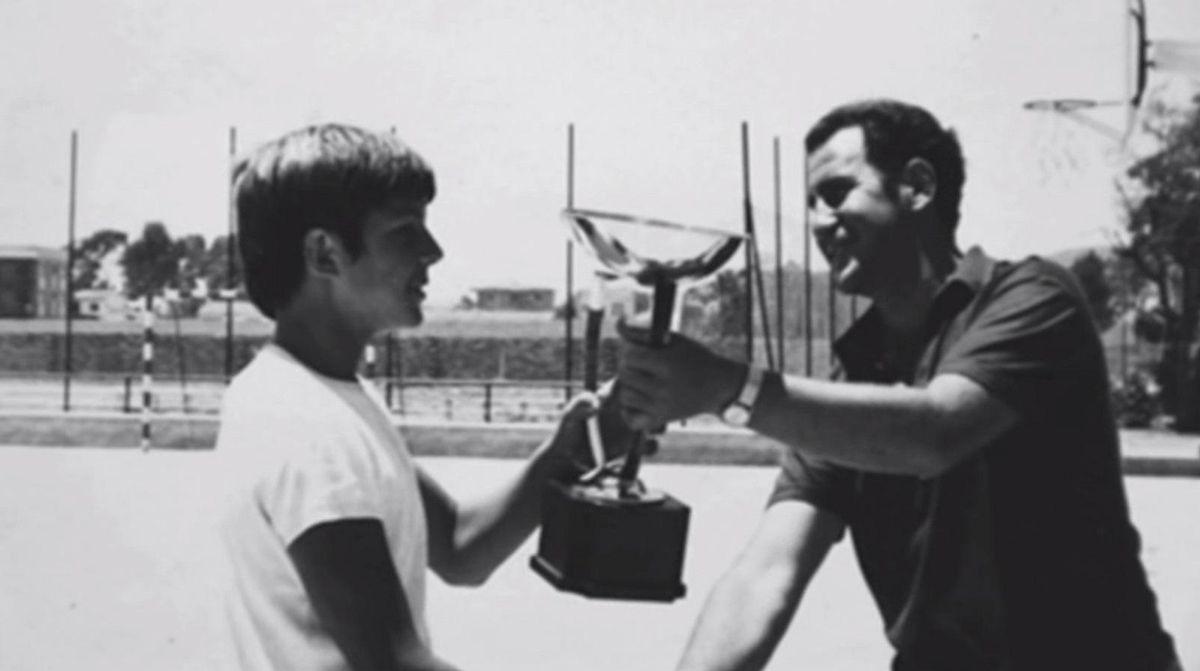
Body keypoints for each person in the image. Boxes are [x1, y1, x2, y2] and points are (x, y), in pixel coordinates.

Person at [616, 99, 1180, 670]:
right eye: (809, 203)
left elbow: (934, 433)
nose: (816, 221)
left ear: (916, 186)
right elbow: (767, 572)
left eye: (836, 193)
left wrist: (725, 388)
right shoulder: (852, 382)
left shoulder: (1034, 299)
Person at [216, 123, 628, 671]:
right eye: (405, 230)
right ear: (325, 253)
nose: (432, 251)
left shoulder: (322, 396)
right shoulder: (308, 425)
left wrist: (564, 457)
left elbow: (461, 548)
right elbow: (395, 664)